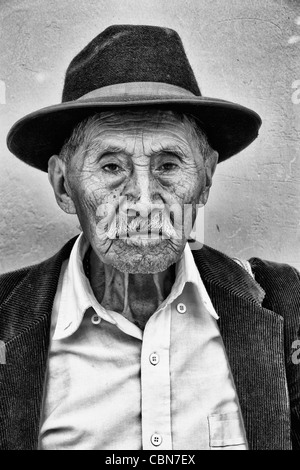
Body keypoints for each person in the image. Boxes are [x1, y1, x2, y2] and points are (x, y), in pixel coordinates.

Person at [1, 24, 300, 451]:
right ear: (65, 187)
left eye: (168, 164)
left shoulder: (286, 305)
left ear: (206, 178)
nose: (142, 201)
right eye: (111, 167)